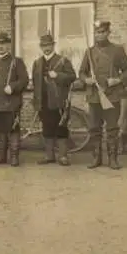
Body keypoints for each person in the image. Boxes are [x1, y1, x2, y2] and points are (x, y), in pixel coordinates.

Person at [78, 20, 127, 170]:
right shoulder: (89, 52)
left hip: (111, 95)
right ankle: (96, 158)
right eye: (97, 32)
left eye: (102, 32)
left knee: (112, 129)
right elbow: (81, 72)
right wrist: (87, 79)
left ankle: (113, 159)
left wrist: (118, 80)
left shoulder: (117, 50)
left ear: (108, 32)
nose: (99, 35)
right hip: (95, 96)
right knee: (95, 128)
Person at [0, 32, 29, 167]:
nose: (1, 47)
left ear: (9, 45)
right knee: (0, 130)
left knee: (13, 129)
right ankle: (1, 156)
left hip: (11, 102)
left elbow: (24, 80)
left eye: (3, 44)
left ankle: (14, 156)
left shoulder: (16, 61)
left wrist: (13, 86)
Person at [31, 33, 76, 166]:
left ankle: (63, 156)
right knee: (47, 128)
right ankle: (49, 156)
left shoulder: (62, 61)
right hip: (43, 101)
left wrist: (58, 75)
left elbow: (72, 77)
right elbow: (34, 82)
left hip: (59, 101)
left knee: (61, 128)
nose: (46, 48)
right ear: (40, 47)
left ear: (53, 45)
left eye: (49, 45)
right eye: (43, 45)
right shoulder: (37, 63)